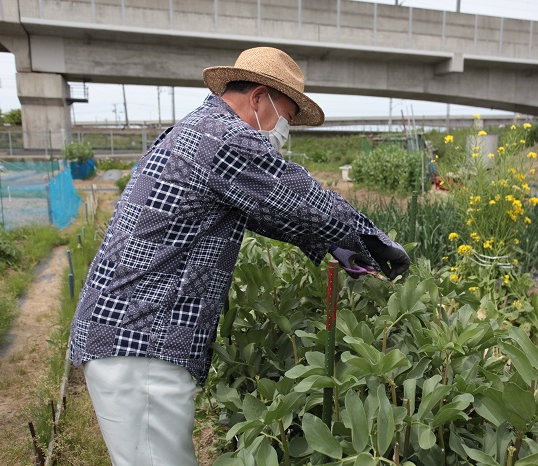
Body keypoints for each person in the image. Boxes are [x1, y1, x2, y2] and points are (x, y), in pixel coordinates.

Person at [68, 46, 410, 466]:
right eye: (285, 115)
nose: (284, 129)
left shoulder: (199, 129)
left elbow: (265, 210)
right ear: (258, 97)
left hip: (131, 336)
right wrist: (370, 237)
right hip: (142, 343)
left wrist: (335, 245)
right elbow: (293, 194)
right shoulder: (225, 135)